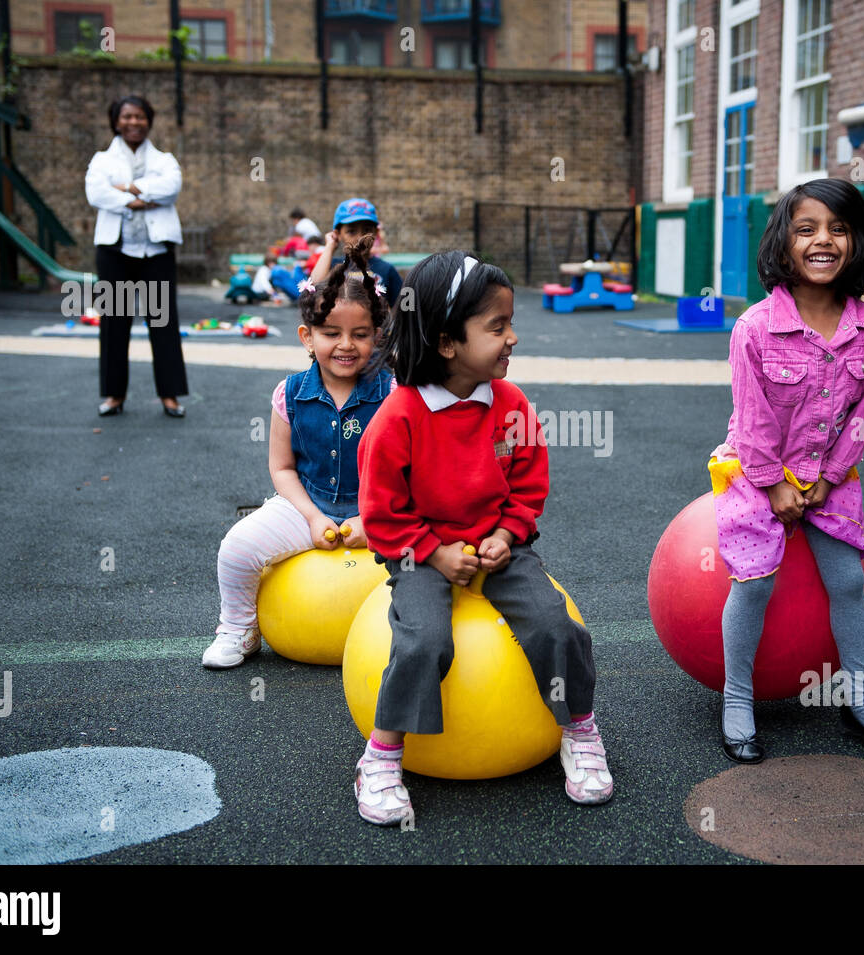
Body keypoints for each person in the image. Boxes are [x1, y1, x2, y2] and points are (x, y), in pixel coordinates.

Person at [354, 250, 613, 825]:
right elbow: (381, 514)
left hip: (501, 547)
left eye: (510, 323)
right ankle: (381, 755)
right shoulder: (398, 418)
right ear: (447, 343)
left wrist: (505, 532)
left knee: (553, 622)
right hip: (419, 552)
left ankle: (581, 729)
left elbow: (528, 487)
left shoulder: (513, 405)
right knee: (423, 641)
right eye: (498, 327)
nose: (513, 338)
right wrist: (432, 553)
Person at [712, 178, 864, 763]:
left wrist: (828, 478)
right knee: (755, 580)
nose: (823, 240)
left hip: (831, 472)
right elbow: (752, 422)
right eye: (807, 229)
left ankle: (860, 697)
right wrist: (773, 484)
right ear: (784, 242)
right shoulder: (755, 327)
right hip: (756, 469)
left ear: (856, 243)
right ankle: (737, 699)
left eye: (839, 229)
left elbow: (859, 421)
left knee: (848, 582)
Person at [202, 237, 392, 669]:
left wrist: (371, 518)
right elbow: (282, 467)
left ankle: (410, 636)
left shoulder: (394, 393)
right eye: (331, 333)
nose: (346, 344)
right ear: (307, 337)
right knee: (236, 548)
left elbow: (407, 469)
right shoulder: (289, 394)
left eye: (360, 334)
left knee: (429, 558)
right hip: (306, 503)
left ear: (376, 336)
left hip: (379, 508)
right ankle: (238, 627)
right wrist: (310, 517)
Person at [85, 95, 187, 418]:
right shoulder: (101, 159)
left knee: (162, 322)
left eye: (140, 116)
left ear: (149, 121)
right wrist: (140, 196)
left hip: (155, 252)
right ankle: (114, 395)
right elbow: (95, 193)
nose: (133, 122)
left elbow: (171, 187)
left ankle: (169, 395)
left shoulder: (165, 159)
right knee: (115, 322)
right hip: (115, 251)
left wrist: (125, 187)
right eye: (127, 116)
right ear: (116, 121)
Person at [308, 198, 402, 310]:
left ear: (376, 233)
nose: (360, 238)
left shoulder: (386, 270)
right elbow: (314, 286)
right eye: (351, 231)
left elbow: (404, 308)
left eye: (367, 230)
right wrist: (330, 246)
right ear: (338, 234)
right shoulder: (333, 266)